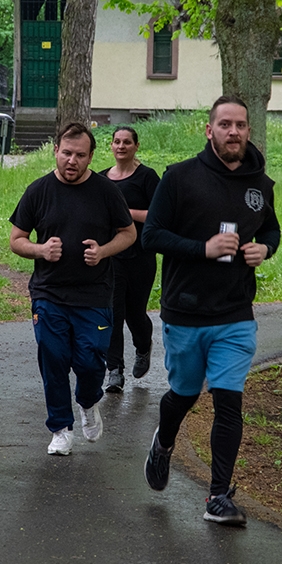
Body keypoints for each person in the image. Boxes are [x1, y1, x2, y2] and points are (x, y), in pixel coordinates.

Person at [141, 96, 280, 526]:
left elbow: (271, 228)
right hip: (185, 310)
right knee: (183, 394)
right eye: (225, 124)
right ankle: (164, 442)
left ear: (249, 131)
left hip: (236, 312)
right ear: (209, 130)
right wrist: (202, 249)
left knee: (228, 401)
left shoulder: (261, 185)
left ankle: (218, 496)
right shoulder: (180, 178)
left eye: (240, 124)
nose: (233, 131)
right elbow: (151, 236)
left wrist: (266, 248)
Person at [9, 123, 137, 456]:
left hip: (94, 295)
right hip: (49, 293)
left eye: (80, 155)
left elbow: (128, 233)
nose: (72, 160)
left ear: (91, 156)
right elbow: (16, 240)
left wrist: (103, 252)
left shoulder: (107, 191)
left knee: (91, 362)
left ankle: (88, 402)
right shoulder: (38, 191)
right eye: (66, 153)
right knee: (53, 359)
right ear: (55, 151)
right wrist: (39, 250)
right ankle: (60, 429)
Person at [99, 126, 160, 393]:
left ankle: (143, 345)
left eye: (126, 142)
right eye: (116, 142)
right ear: (110, 146)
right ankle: (114, 371)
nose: (121, 146)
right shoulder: (100, 179)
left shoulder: (147, 177)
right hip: (111, 256)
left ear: (136, 146)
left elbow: (158, 216)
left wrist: (124, 212)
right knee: (113, 313)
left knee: (134, 313)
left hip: (140, 255)